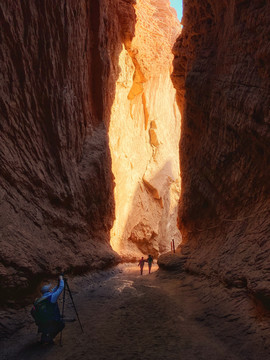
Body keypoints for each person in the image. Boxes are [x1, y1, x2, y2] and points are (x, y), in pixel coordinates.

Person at [31, 275, 65, 344]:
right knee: (62, 324)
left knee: (47, 325)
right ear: (48, 290)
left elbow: (54, 289)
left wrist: (59, 282)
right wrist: (61, 279)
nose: (51, 289)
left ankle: (44, 335)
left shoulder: (41, 299)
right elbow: (61, 288)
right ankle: (50, 337)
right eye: (49, 288)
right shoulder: (52, 297)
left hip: (42, 321)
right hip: (51, 321)